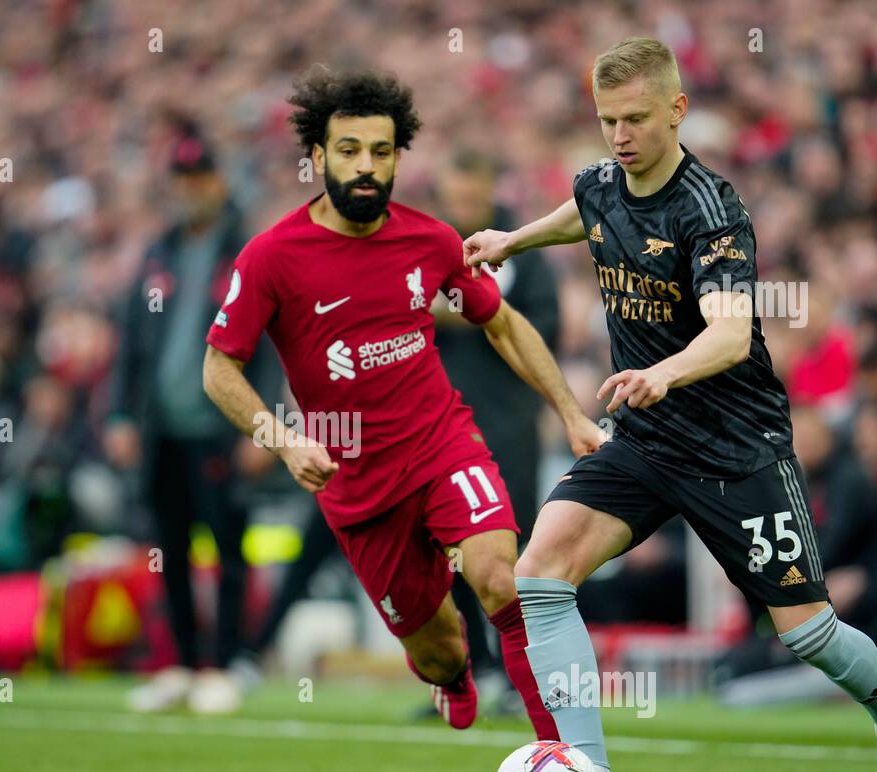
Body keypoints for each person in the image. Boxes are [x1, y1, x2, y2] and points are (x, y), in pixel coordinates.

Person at [465, 37, 877, 772]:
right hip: (646, 441)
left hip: (736, 449)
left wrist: (665, 374)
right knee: (539, 573)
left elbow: (729, 332)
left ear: (677, 110)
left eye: (636, 119)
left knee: (809, 634)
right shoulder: (601, 180)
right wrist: (512, 241)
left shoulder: (712, 209)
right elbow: (585, 212)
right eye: (607, 119)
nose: (619, 135)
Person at [203, 67, 604, 734]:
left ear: (398, 158)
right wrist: (283, 440)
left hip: (442, 442)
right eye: (350, 150)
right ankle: (453, 678)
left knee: (502, 579)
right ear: (318, 157)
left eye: (382, 152)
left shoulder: (432, 240)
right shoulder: (271, 257)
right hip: (356, 483)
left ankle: (562, 757)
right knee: (439, 648)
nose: (367, 167)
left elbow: (500, 322)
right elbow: (219, 368)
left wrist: (569, 411)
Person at [107, 130, 279, 715]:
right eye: (180, 181)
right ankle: (181, 662)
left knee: (228, 547)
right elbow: (131, 339)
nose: (189, 191)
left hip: (222, 424)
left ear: (217, 182)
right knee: (170, 548)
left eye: (198, 179)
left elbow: (274, 339)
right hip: (163, 428)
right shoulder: (159, 251)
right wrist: (121, 413)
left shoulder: (243, 249)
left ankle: (229, 662)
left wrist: (264, 424)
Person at [431, 147, 562, 713]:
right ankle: (477, 669)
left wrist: (451, 308)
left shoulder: (516, 247)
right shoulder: (431, 245)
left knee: (517, 546)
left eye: (470, 195)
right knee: (452, 545)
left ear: (489, 187)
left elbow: (543, 327)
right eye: (453, 196)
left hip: (508, 421)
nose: (462, 206)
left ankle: (524, 675)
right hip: (443, 423)